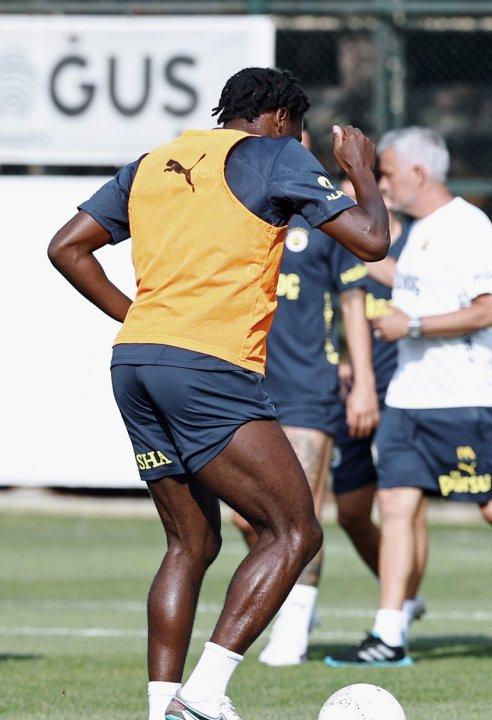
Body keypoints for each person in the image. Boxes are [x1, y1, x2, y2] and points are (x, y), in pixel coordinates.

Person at [47, 67, 388, 720]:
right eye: (299, 129)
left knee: (192, 544)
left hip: (136, 363)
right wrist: (361, 171)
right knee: (294, 531)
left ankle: (161, 711)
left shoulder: (155, 161)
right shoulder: (275, 154)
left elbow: (67, 247)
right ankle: (203, 696)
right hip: (208, 368)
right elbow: (372, 242)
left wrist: (138, 319)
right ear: (281, 119)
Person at [324, 127, 492, 667]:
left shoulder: (467, 225)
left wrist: (412, 326)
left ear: (419, 174)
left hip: (461, 398)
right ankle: (389, 633)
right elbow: (400, 279)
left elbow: (489, 309)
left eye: (388, 174)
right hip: (407, 399)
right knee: (395, 505)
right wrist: (336, 221)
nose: (384, 184)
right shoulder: (419, 232)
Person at [232, 135, 382, 668]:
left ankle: (293, 629)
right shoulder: (237, 205)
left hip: (308, 387)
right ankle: (292, 594)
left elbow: (353, 303)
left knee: (300, 513)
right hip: (247, 381)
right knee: (246, 518)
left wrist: (363, 383)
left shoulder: (324, 212)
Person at [329, 178, 429, 639]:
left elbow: (430, 289)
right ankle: (401, 590)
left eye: (357, 194)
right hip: (347, 391)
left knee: (404, 504)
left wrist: (369, 255)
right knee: (351, 512)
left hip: (405, 388)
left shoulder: (419, 242)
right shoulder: (330, 241)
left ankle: (402, 605)